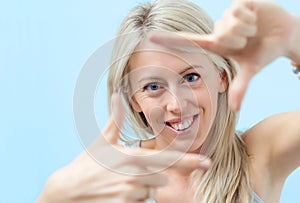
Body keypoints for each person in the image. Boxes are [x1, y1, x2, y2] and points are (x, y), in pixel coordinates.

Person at [37, 0, 300, 202]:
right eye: (153, 86)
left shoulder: (261, 153)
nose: (176, 104)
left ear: (221, 77)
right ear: (134, 100)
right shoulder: (111, 179)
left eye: (191, 77)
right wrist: (51, 198)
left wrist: (293, 37)